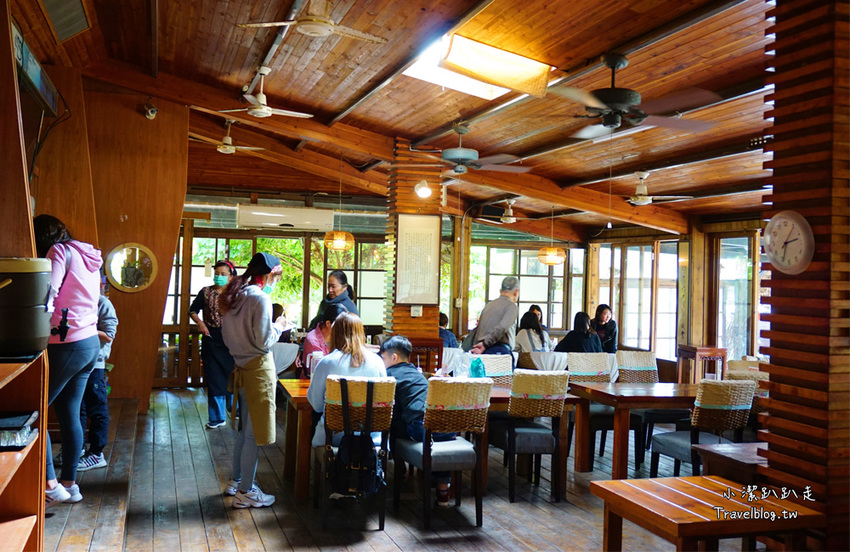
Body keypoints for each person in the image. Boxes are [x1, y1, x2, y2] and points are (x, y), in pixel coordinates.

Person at [34, 214, 103, 508]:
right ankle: (69, 484)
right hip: (88, 343)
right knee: (69, 413)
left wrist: (34, 319)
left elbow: (50, 292)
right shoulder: (85, 255)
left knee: (33, 412)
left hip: (65, 343)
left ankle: (50, 484)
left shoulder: (58, 252)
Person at [219, 252, 287, 509]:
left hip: (239, 366)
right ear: (268, 274)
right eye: (275, 277)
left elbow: (229, 337)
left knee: (243, 430)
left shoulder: (235, 296)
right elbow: (264, 341)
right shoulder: (261, 299)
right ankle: (246, 491)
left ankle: (237, 481)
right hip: (258, 369)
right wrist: (280, 326)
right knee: (253, 434)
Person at [379, 336, 453, 506]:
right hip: (446, 427)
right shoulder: (418, 374)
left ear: (394, 357)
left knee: (396, 424)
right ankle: (443, 488)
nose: (382, 362)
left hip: (420, 428)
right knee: (438, 439)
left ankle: (400, 470)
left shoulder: (389, 376)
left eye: (383, 358)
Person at [307, 312, 386, 448]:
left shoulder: (327, 362)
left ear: (335, 333)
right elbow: (384, 402)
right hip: (372, 437)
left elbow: (316, 405)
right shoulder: (377, 362)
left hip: (333, 436)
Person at [189, 260, 238, 429]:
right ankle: (217, 417)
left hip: (232, 340)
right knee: (214, 378)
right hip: (211, 339)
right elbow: (192, 310)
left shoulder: (237, 294)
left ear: (231, 277)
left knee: (233, 376)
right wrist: (201, 324)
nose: (219, 277)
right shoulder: (206, 292)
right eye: (217, 273)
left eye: (223, 274)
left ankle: (235, 410)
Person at [77, 282, 118, 472]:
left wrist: (79, 327)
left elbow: (109, 335)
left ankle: (96, 453)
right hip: (74, 362)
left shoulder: (103, 303)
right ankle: (77, 450)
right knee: (77, 409)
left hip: (95, 363)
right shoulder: (78, 300)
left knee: (97, 407)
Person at [470, 277, 520, 366]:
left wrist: (480, 346)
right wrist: (485, 344)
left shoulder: (489, 305)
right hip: (500, 352)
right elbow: (502, 327)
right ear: (516, 292)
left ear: (500, 291)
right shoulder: (511, 306)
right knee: (506, 380)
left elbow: (479, 328)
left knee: (485, 379)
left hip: (482, 352)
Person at [300, 304, 347, 378]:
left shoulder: (338, 335)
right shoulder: (313, 342)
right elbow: (322, 371)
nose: (344, 329)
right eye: (341, 325)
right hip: (315, 383)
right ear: (328, 323)